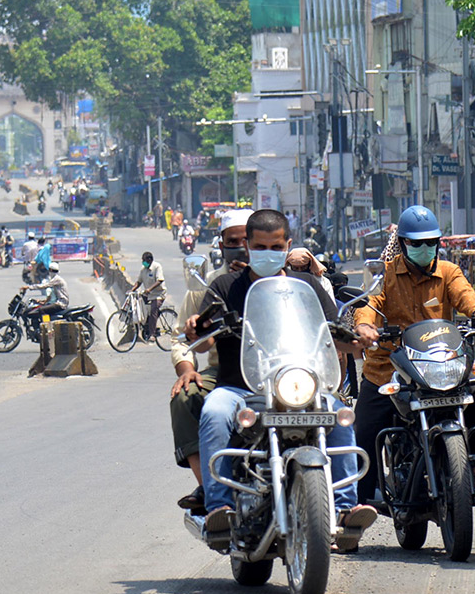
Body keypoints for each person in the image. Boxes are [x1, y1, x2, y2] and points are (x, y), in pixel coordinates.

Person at [186, 209, 375, 548]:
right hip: (240, 389)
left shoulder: (306, 285)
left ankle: (345, 509)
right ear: (247, 246)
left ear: (287, 245)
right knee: (213, 412)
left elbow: (336, 334)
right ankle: (220, 509)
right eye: (260, 246)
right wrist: (197, 329)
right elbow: (203, 339)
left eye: (276, 246)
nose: (268, 253)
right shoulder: (225, 286)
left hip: (298, 385)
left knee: (341, 414)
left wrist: (358, 334)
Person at [353, 205, 475, 505]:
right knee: (364, 431)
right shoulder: (386, 274)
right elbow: (369, 302)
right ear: (404, 243)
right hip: (390, 369)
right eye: (417, 243)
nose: (424, 248)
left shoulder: (448, 272)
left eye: (430, 242)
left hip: (440, 365)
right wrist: (366, 325)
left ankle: (471, 459)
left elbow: (466, 296)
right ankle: (357, 506)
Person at [169, 209, 252, 515]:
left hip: (280, 373)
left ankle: (338, 497)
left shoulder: (282, 278)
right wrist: (187, 368)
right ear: (221, 244)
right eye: (233, 241)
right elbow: (186, 338)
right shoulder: (210, 287)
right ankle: (210, 485)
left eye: (248, 240)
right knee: (185, 398)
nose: (241, 247)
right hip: (225, 371)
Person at [131, 252, 166, 339]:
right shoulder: (143, 270)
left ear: (149, 260)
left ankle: (152, 334)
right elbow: (139, 282)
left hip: (158, 294)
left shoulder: (157, 267)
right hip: (148, 294)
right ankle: (146, 325)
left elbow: (160, 280)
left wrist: (149, 289)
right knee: (140, 305)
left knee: (154, 309)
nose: (143, 262)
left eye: (144, 260)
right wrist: (132, 290)